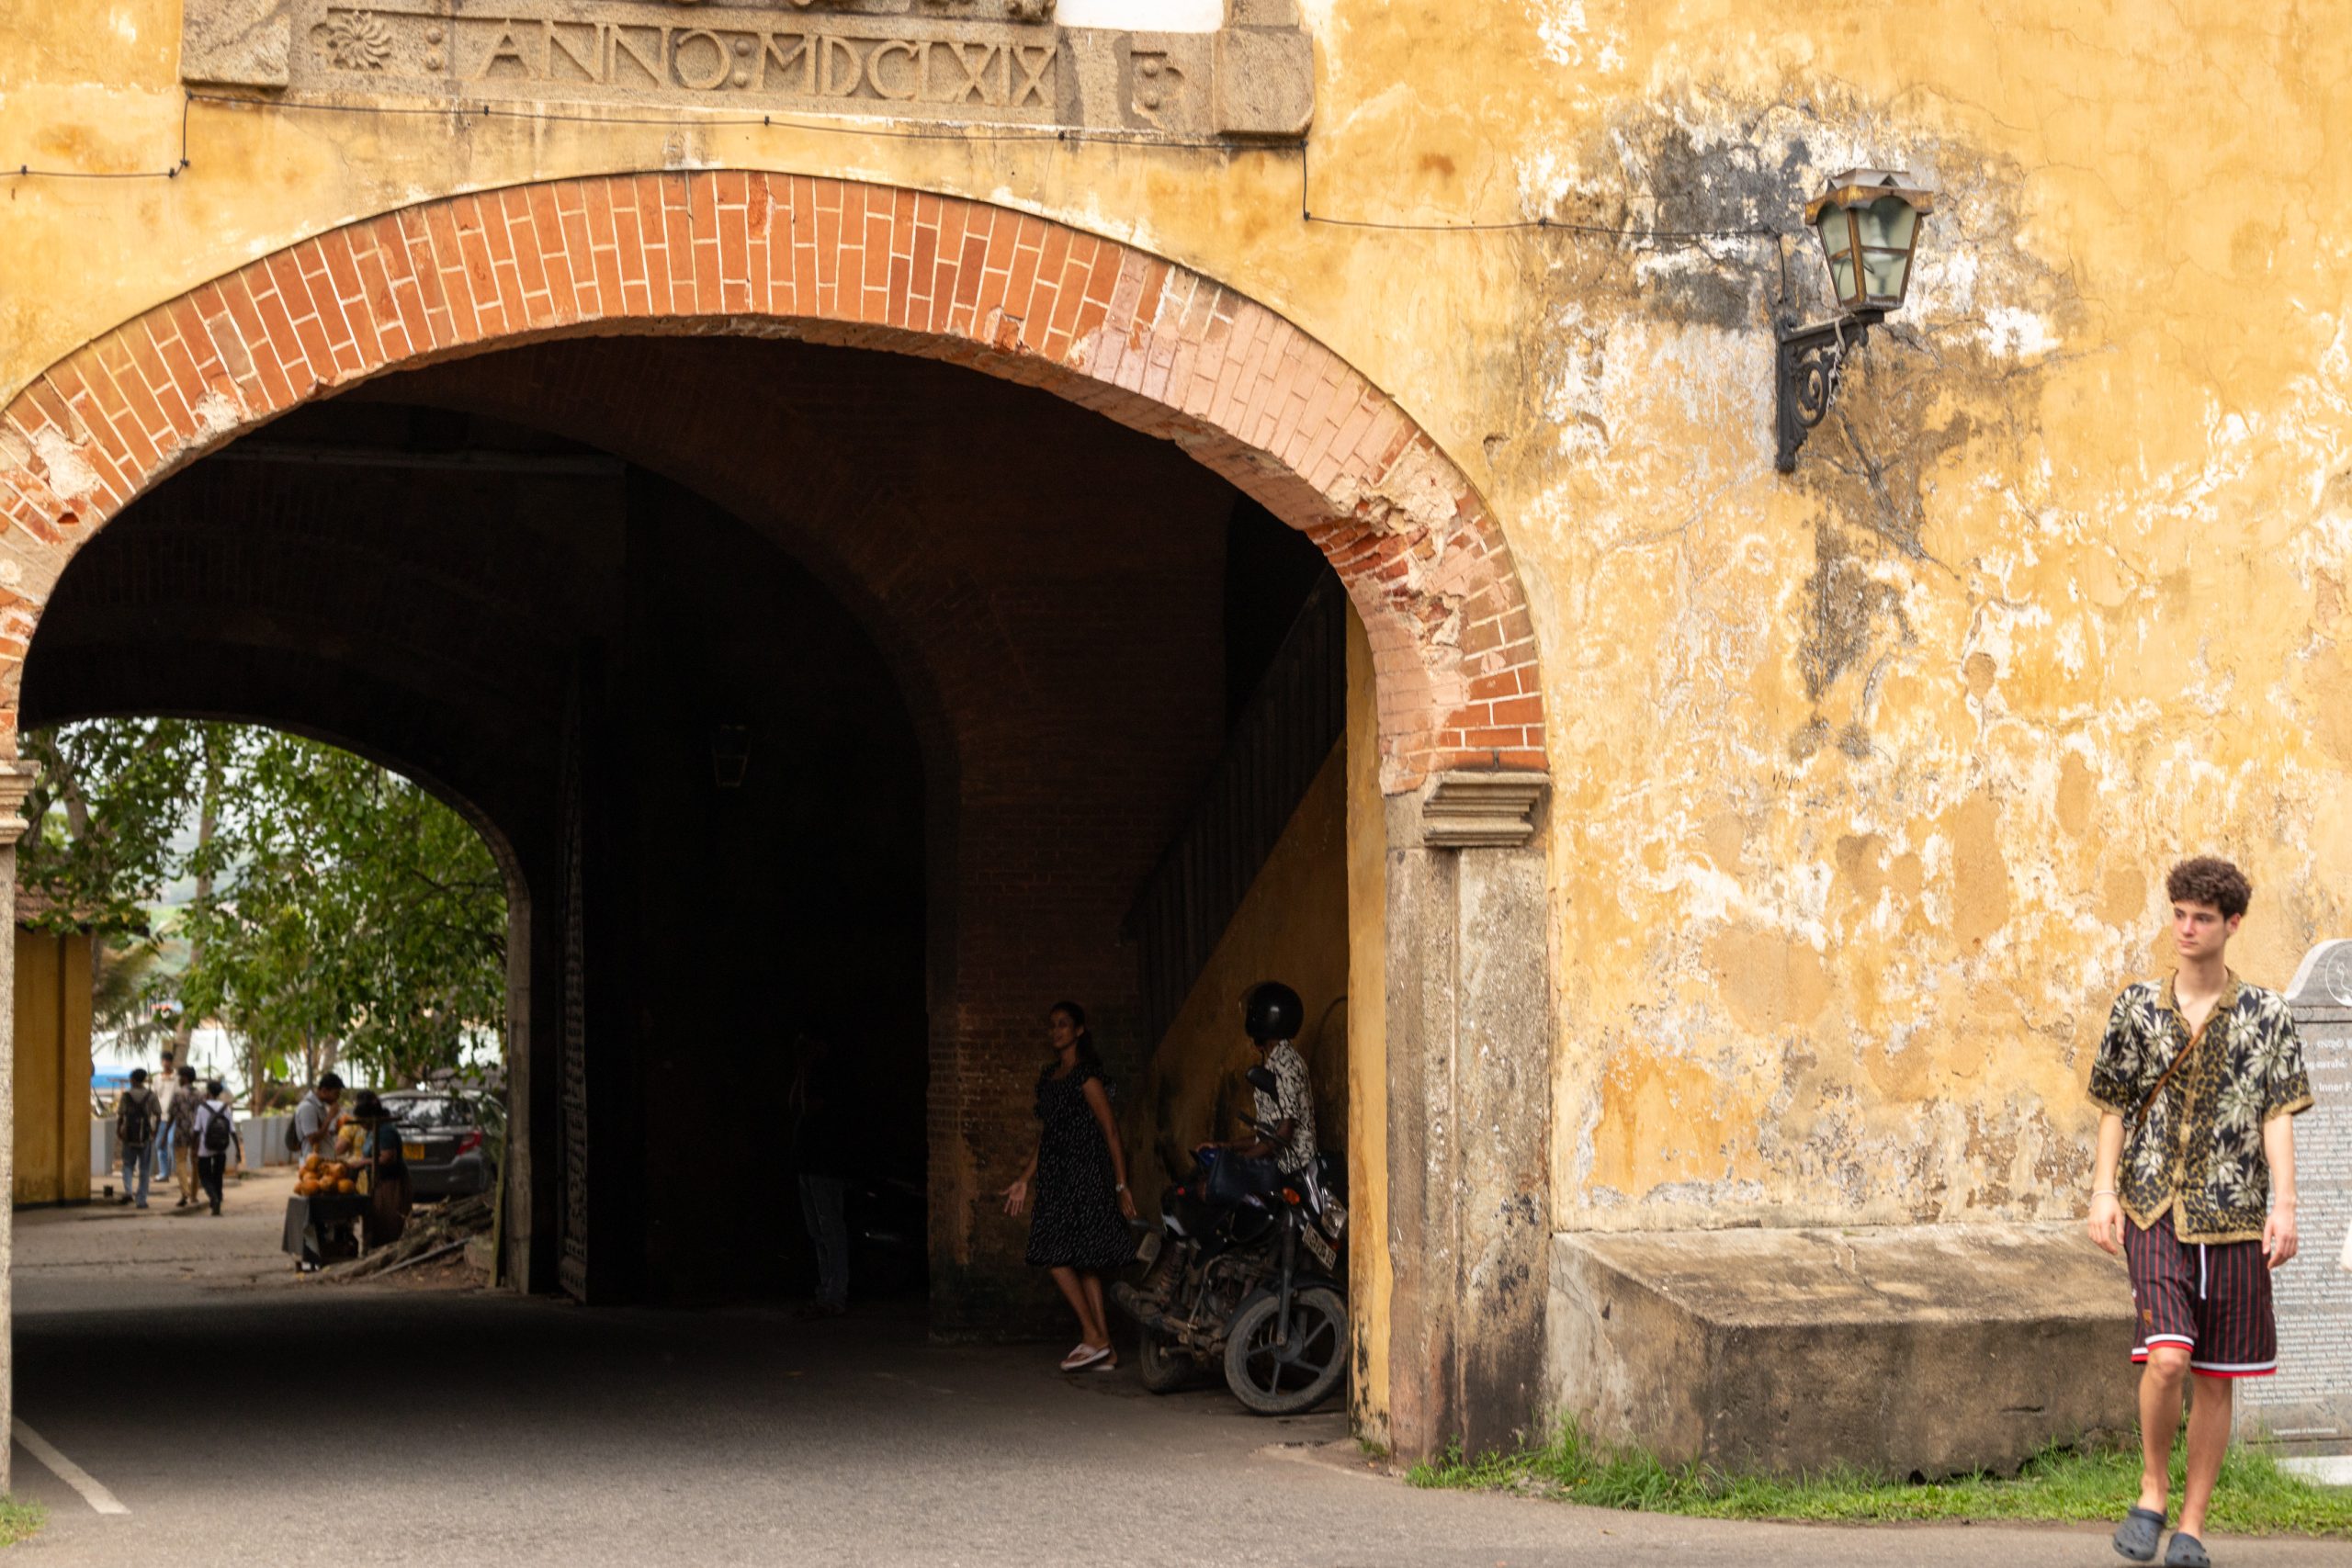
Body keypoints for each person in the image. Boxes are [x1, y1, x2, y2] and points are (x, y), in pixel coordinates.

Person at [2087, 857, 2313, 1568]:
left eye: (2202, 917)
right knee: (2169, 1358)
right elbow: (2115, 1106)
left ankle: (2191, 1521)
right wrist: (2102, 1192)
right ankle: (2152, 1490)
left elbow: (2278, 1115)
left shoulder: (2266, 1015)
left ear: (2232, 924)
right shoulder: (2136, 1008)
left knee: (2216, 1374)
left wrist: (2286, 1205)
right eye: (2179, 912)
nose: (2186, 927)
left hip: (2238, 1215)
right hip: (2153, 1203)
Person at [1000, 1002, 1136, 1371]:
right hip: (1057, 1175)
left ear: (1079, 1030)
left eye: (1063, 1025)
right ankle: (1106, 1350)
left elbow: (1110, 1130)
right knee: (1081, 1260)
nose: (1055, 1031)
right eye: (1052, 1025)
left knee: (1056, 1254)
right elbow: (1049, 1135)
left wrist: (1122, 1185)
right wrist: (1024, 1180)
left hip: (1087, 1174)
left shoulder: (1086, 1076)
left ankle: (1093, 1336)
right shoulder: (1050, 1077)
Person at [1195, 980, 1318, 1204]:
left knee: (1210, 1190)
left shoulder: (1287, 1065)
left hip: (1291, 1174)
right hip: (1278, 1167)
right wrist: (1226, 1147)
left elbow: (1283, 1134)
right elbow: (1267, 1135)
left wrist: (1238, 1162)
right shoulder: (1275, 1063)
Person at [787, 1035, 854, 1319]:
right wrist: (801, 1070)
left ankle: (835, 1295)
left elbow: (807, 1107)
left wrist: (808, 1069)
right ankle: (825, 1291)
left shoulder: (828, 1075)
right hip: (807, 1165)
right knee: (818, 1232)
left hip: (824, 1166)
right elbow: (792, 1102)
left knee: (831, 1231)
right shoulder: (810, 1073)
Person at [348, 1091, 413, 1251]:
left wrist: (362, 1162)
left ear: (370, 1117)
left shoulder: (385, 1131)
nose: (360, 1124)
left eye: (362, 1121)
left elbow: (387, 1158)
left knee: (389, 1226)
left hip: (392, 1184)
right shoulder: (372, 1130)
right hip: (379, 1183)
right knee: (378, 1225)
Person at [190, 1080, 240, 1216]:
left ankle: (213, 1197)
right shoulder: (226, 1107)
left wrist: (193, 1147)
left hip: (205, 1148)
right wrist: (238, 1151)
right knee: (218, 1175)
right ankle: (218, 1200)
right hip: (221, 1147)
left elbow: (196, 1130)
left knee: (204, 1175)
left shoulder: (202, 1107)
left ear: (208, 1092)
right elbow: (232, 1130)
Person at [115, 1067, 162, 1208]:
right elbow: (158, 1114)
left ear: (133, 1080)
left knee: (128, 1165)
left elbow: (121, 1115)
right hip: (145, 1135)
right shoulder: (151, 1095)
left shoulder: (126, 1095)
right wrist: (155, 1131)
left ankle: (128, 1191)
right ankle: (141, 1199)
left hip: (129, 1135)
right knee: (144, 1168)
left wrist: (119, 1130)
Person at [166, 1064, 202, 1209]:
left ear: (185, 1078)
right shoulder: (200, 1094)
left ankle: (185, 1192)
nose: (179, 1079)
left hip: (181, 1131)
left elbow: (172, 1115)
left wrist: (164, 1134)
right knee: (196, 1163)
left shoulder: (178, 1094)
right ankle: (194, 1195)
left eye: (180, 1077)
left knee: (180, 1161)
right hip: (197, 1132)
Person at [291, 1072, 344, 1165]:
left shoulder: (320, 1107)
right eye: (335, 1094)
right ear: (324, 1091)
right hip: (313, 1165)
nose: (337, 1098)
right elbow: (313, 1138)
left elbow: (324, 1132)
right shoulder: (307, 1108)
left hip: (325, 1162)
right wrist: (329, 1117)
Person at [152, 1049, 179, 1188]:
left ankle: (175, 1170)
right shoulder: (156, 1079)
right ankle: (164, 1172)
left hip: (173, 1116)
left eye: (168, 1060)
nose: (166, 1063)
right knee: (159, 1145)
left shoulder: (177, 1078)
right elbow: (154, 1096)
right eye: (164, 1060)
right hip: (161, 1116)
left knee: (171, 1142)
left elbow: (178, 1096)